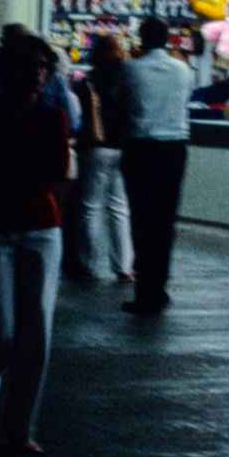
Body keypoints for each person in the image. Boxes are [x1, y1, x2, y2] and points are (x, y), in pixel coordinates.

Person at [0, 32, 72, 454]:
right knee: (2, 331)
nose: (40, 74)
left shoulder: (51, 113)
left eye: (45, 67)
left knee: (37, 332)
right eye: (33, 65)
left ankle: (20, 426)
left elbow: (56, 168)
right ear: (13, 68)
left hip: (40, 226)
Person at [114, 18, 192, 315]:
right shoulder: (183, 70)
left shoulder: (130, 69)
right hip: (175, 147)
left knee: (142, 219)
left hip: (141, 147)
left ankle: (144, 289)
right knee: (165, 219)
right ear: (168, 39)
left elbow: (118, 100)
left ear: (142, 38)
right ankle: (160, 286)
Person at [71, 35, 135, 283]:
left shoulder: (88, 81)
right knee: (120, 207)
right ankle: (124, 266)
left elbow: (78, 116)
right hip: (122, 147)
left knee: (90, 206)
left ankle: (89, 263)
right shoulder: (128, 78)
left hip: (96, 147)